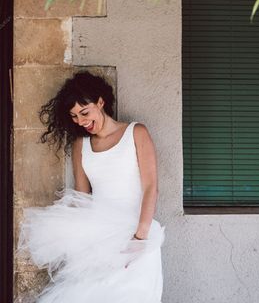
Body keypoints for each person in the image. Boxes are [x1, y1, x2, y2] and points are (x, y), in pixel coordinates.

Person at [17, 71, 164, 302]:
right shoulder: (80, 144)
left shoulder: (136, 133)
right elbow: (81, 196)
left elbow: (151, 187)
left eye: (84, 112)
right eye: (74, 116)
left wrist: (139, 239)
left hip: (136, 234)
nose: (81, 121)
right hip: (98, 239)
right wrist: (76, 241)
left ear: (101, 102)